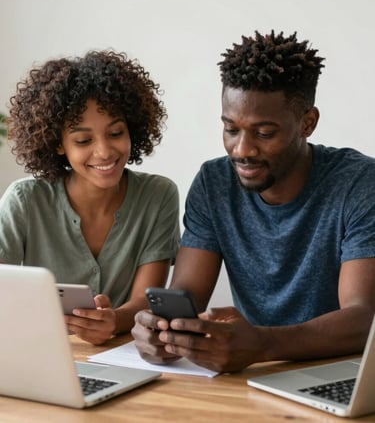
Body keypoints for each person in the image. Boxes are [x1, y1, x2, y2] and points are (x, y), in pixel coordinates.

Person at [131, 30, 375, 373]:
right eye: (231, 129)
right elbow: (186, 294)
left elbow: (363, 318)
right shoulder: (213, 183)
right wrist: (163, 330)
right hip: (259, 375)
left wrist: (262, 343)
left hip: (345, 372)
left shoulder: (360, 183)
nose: (242, 150)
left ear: (308, 122)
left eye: (264, 133)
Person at [0, 50, 180, 345]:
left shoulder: (158, 196)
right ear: (58, 144)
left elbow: (146, 301)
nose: (105, 152)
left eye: (116, 133)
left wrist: (112, 322)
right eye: (83, 140)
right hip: (41, 350)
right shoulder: (25, 200)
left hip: (126, 356)